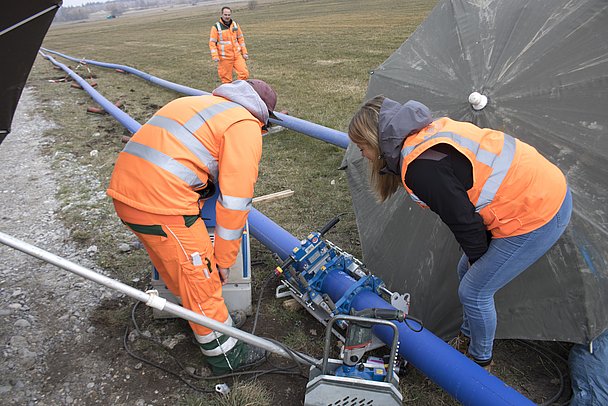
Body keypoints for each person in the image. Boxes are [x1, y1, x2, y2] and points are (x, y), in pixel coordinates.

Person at [348, 95, 572, 371]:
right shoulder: (422, 135)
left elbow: (464, 221)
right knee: (466, 272)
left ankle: (479, 363)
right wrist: (476, 258)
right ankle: (468, 335)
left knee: (475, 291)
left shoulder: (420, 167)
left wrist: (480, 259)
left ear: (376, 142)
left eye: (362, 148)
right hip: (536, 191)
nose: (362, 155)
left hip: (538, 211)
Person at [106, 79, 278, 374]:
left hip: (127, 197)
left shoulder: (198, 104)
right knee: (203, 281)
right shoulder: (244, 124)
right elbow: (235, 203)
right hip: (162, 206)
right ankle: (226, 358)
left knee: (180, 273)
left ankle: (206, 324)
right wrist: (222, 260)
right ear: (261, 116)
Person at [209, 6, 249, 84]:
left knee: (244, 74)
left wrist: (244, 52)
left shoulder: (235, 25)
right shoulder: (216, 27)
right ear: (222, 15)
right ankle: (229, 93)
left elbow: (240, 39)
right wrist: (215, 56)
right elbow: (212, 43)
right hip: (224, 58)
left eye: (229, 15)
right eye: (225, 15)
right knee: (226, 80)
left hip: (237, 55)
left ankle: (239, 89)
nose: (227, 17)